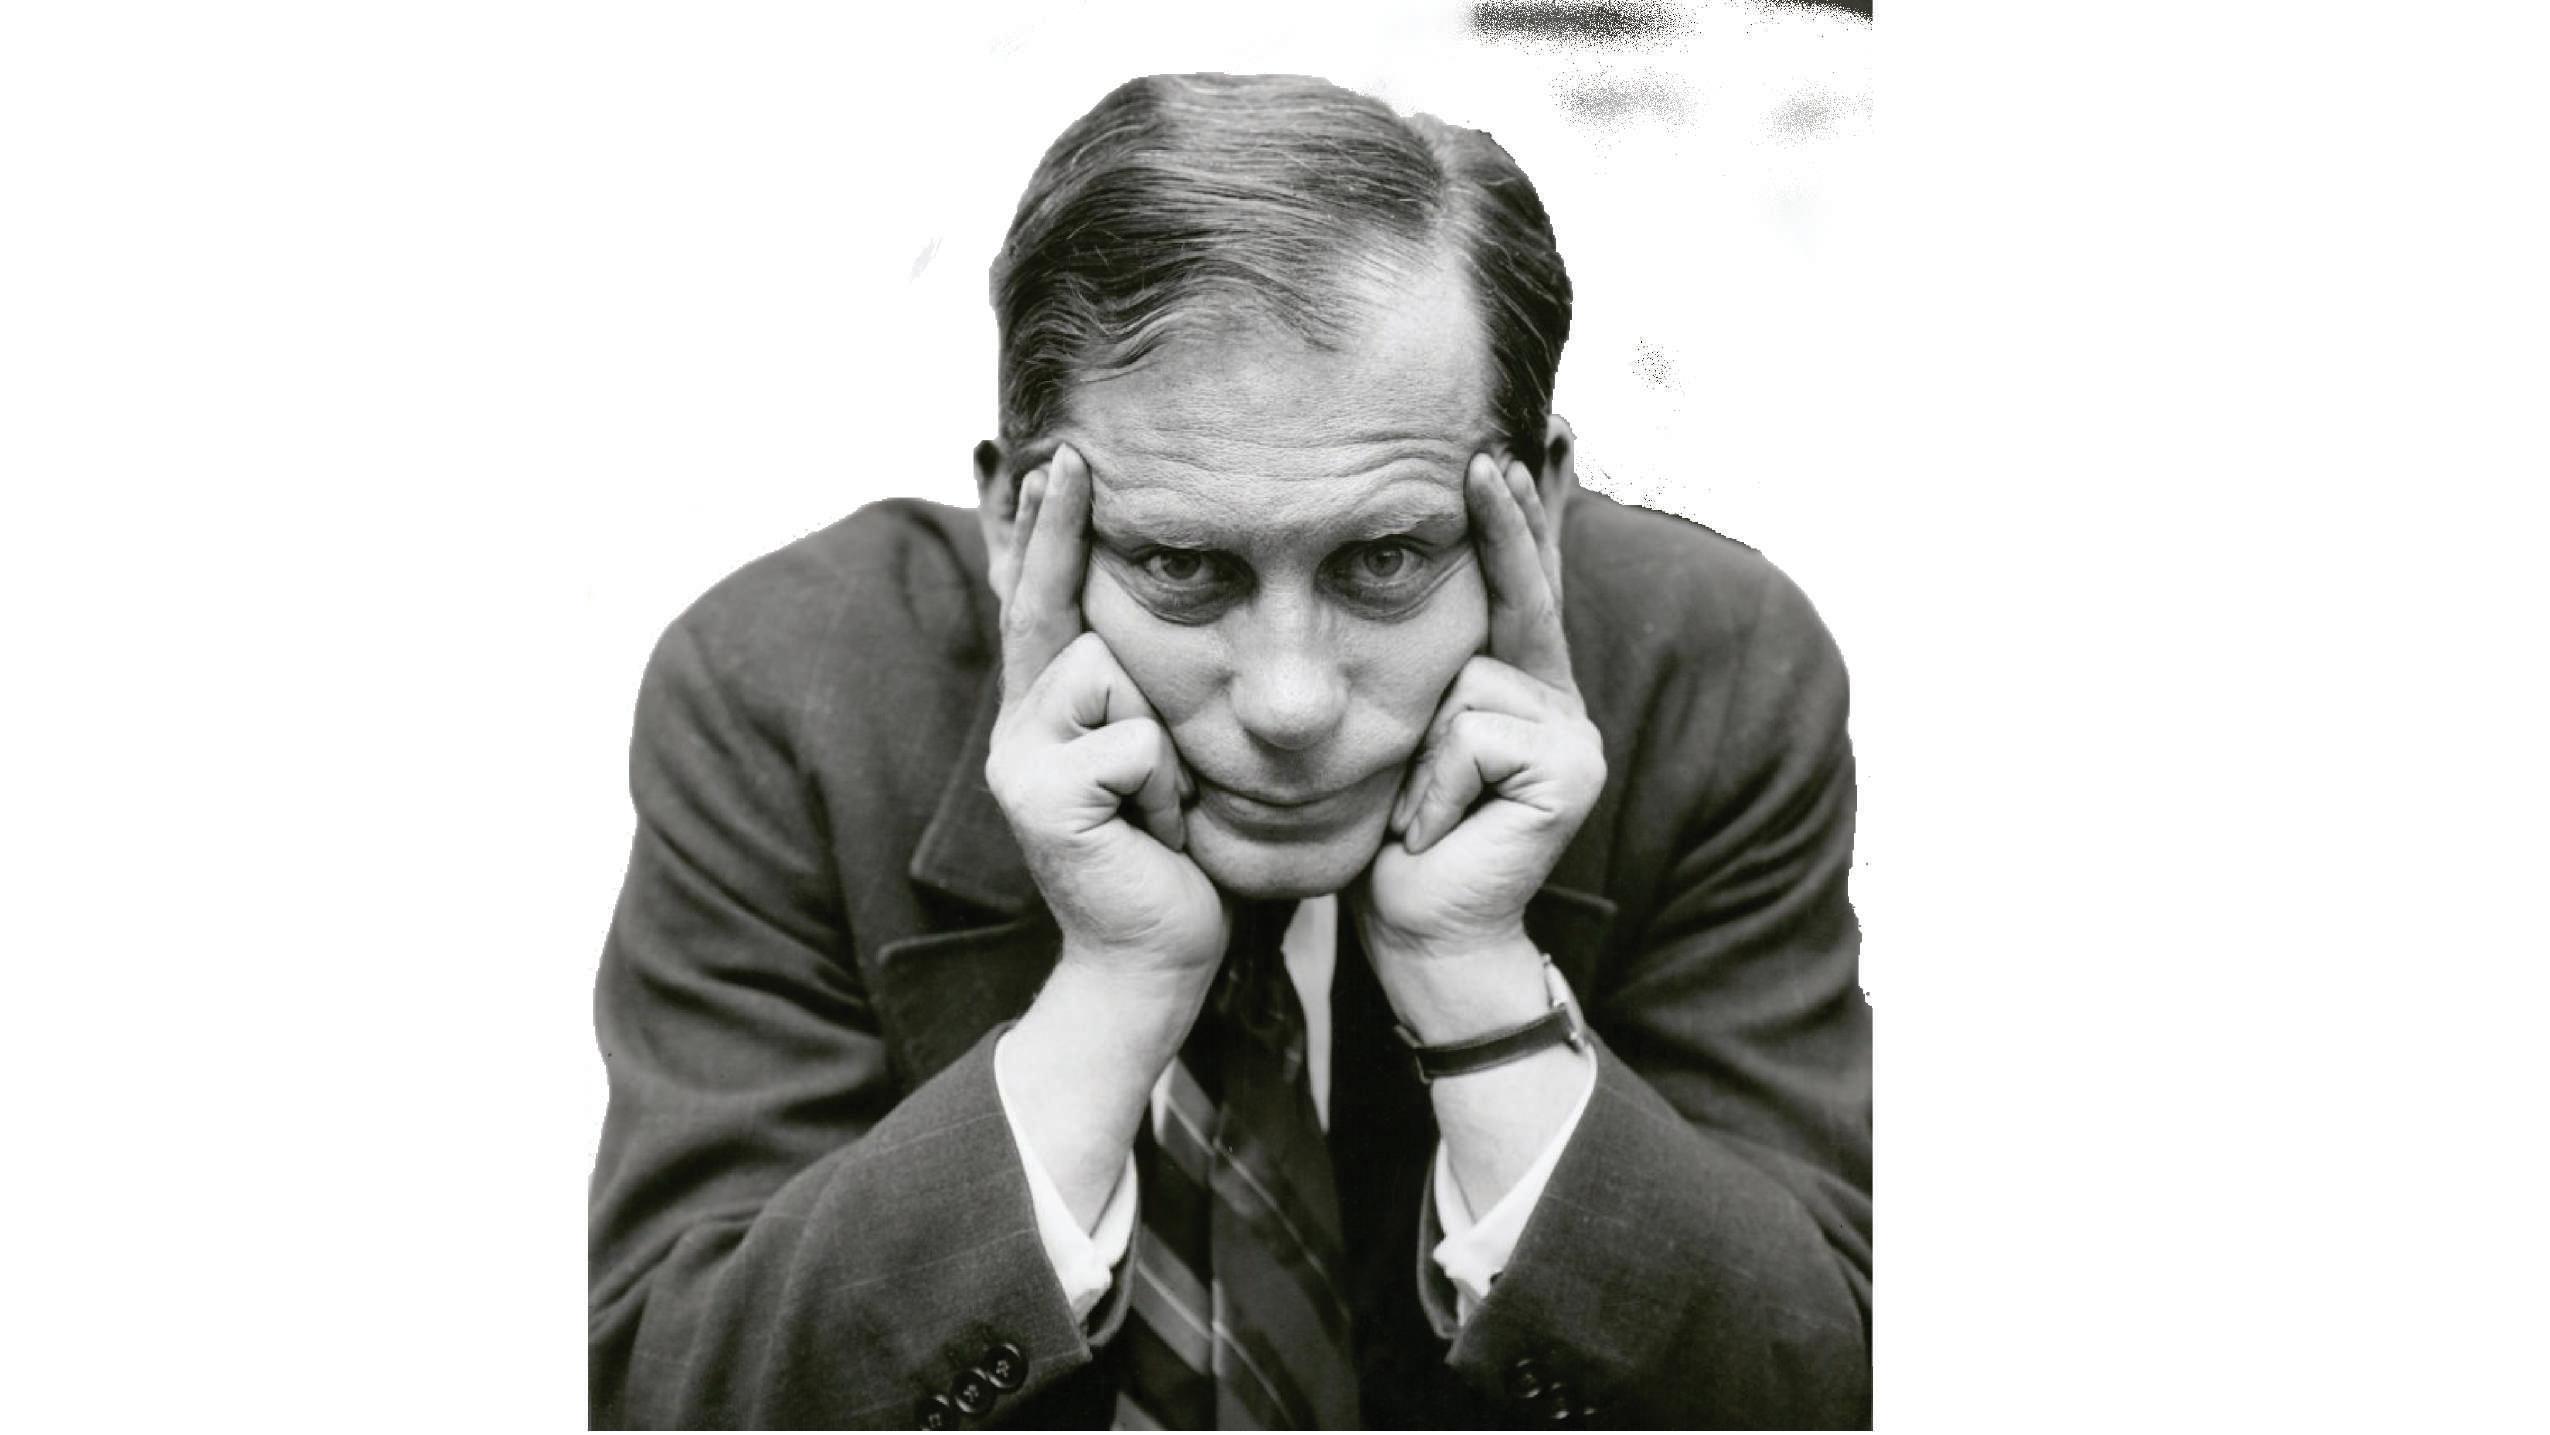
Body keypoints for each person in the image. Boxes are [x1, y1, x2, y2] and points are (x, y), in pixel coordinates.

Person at [587, 72, 1870, 1429]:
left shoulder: (1714, 676)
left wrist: (1477, 986)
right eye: (1183, 567)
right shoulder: (787, 697)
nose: (1290, 702)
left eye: (1386, 558)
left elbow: (1832, 1389)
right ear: (1020, 527)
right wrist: (1112, 993)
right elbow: (668, 1390)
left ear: (1537, 511)